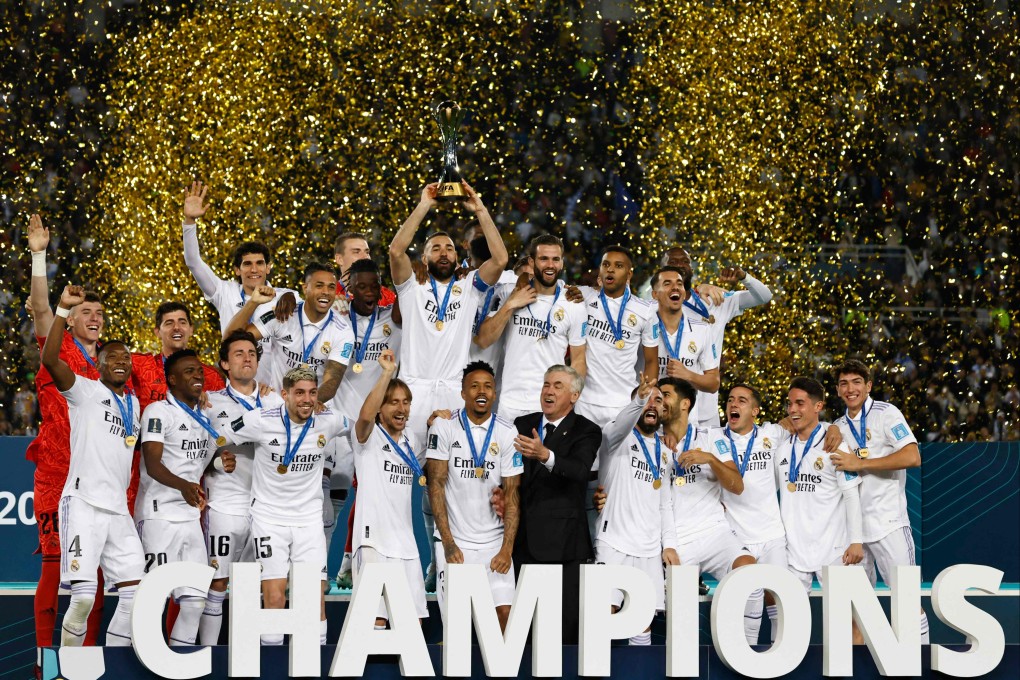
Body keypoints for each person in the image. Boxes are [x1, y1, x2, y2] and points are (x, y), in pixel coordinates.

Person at [388, 181, 508, 590]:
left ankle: (438, 556)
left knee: (446, 479)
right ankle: (389, 559)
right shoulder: (411, 284)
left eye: (450, 249)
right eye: (435, 248)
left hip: (452, 393)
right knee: (401, 477)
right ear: (424, 257)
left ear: (458, 258)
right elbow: (394, 251)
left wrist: (480, 210)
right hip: (415, 389)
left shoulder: (470, 287)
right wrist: (424, 205)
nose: (443, 253)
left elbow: (501, 257)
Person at [41, 285, 144, 648]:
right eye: (112, 357)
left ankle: (112, 666)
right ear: (98, 363)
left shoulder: (135, 406)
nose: (120, 362)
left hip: (118, 512)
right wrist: (62, 311)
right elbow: (51, 360)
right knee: (83, 598)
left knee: (136, 595)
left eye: (126, 359)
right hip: (83, 503)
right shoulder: (84, 391)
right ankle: (70, 668)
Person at [26, 215, 107, 648]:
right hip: (57, 477)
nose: (93, 318)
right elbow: (41, 311)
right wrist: (40, 255)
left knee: (92, 576)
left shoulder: (116, 367)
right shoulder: (56, 354)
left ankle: (86, 662)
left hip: (99, 482)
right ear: (70, 322)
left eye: (99, 312)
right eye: (85, 312)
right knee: (55, 570)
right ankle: (44, 659)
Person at [223, 366, 348, 646]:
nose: (307, 400)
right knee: (275, 598)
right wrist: (219, 461)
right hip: (269, 518)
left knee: (314, 599)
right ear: (284, 395)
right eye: (300, 393)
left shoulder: (327, 419)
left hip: (309, 521)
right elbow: (218, 436)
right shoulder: (260, 419)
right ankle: (273, 666)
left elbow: (361, 429)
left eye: (312, 393)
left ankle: (313, 668)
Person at [658, 377, 764, 645]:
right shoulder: (652, 441)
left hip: (715, 533)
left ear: (685, 404)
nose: (659, 402)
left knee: (751, 574)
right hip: (676, 541)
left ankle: (748, 651)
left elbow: (736, 485)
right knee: (678, 613)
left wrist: (710, 459)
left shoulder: (712, 438)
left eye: (665, 396)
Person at [831, 359, 929, 643]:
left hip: (889, 525)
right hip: (854, 533)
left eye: (857, 382)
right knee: (856, 610)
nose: (851, 389)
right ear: (837, 390)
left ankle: (920, 664)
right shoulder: (836, 426)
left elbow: (912, 457)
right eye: (844, 383)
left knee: (907, 602)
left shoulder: (887, 414)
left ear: (868, 386)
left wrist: (861, 463)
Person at [138, 349, 229, 646]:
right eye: (190, 372)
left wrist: (218, 463)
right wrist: (183, 486)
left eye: (200, 371)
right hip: (158, 516)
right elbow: (152, 463)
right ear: (173, 379)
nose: (198, 376)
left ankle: (180, 663)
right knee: (153, 598)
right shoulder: (157, 412)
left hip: (189, 518)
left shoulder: (204, 417)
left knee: (194, 602)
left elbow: (195, 461)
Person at [200, 330, 284, 645]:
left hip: (265, 509)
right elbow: (194, 455)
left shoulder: (275, 400)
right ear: (224, 363)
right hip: (225, 505)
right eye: (238, 353)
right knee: (217, 581)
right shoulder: (210, 402)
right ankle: (208, 654)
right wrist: (217, 464)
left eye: (251, 353)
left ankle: (247, 657)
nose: (247, 358)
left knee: (254, 583)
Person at [426, 361, 522, 631]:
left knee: (505, 620)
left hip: (494, 544)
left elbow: (513, 494)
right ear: (463, 392)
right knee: (457, 629)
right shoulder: (444, 427)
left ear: (495, 393)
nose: (482, 391)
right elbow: (436, 485)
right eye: (474, 386)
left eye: (488, 386)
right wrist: (448, 543)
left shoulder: (507, 432)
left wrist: (507, 548)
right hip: (456, 543)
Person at [511, 365, 601, 644]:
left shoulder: (587, 430)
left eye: (557, 386)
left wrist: (545, 455)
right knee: (523, 635)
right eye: (546, 384)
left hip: (564, 546)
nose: (548, 391)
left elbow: (579, 471)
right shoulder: (522, 424)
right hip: (523, 542)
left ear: (574, 396)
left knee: (563, 636)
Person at [331, 258, 403, 590]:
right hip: (337, 418)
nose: (370, 292)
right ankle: (314, 570)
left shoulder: (394, 320)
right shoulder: (337, 319)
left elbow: (410, 291)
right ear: (348, 288)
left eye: (375, 286)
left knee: (369, 493)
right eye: (362, 286)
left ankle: (349, 563)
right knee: (331, 498)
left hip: (373, 422)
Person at [180, 181, 294, 384]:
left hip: (275, 393)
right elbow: (193, 262)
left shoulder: (287, 296)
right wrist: (189, 221)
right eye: (247, 264)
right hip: (234, 389)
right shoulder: (224, 291)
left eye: (260, 263)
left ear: (268, 267)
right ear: (236, 270)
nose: (254, 269)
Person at [594, 376, 679, 646]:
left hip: (649, 549)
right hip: (614, 543)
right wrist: (639, 399)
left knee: (642, 628)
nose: (652, 405)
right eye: (645, 399)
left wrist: (670, 544)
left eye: (658, 401)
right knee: (603, 621)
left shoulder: (666, 453)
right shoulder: (615, 439)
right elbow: (618, 427)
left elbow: (664, 502)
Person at [349, 350, 429, 626]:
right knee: (376, 621)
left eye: (406, 402)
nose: (402, 409)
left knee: (413, 623)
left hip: (406, 543)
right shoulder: (367, 437)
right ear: (381, 408)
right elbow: (365, 415)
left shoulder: (413, 443)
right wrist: (386, 373)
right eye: (393, 402)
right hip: (373, 541)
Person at [776, 377, 864, 625]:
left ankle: (853, 665)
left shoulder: (835, 445)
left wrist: (856, 541)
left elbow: (851, 496)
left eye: (800, 403)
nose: (793, 409)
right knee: (790, 623)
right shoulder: (782, 449)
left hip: (834, 550)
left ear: (818, 407)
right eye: (790, 403)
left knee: (848, 621)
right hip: (793, 551)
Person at [476, 234, 589, 422]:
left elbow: (578, 360)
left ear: (562, 263)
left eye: (555, 259)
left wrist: (569, 401)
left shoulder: (573, 304)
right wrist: (510, 304)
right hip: (509, 403)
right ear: (532, 261)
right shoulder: (508, 292)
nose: (550, 265)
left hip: (548, 406)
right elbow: (483, 339)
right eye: (543, 259)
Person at [709, 384, 788, 644]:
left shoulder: (772, 434)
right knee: (745, 598)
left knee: (778, 598)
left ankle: (781, 658)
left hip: (771, 534)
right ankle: (747, 654)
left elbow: (804, 421)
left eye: (742, 401)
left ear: (755, 410)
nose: (733, 405)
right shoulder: (713, 437)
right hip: (735, 537)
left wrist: (832, 427)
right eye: (730, 400)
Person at [671, 248, 773, 428]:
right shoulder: (655, 307)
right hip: (670, 407)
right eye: (673, 262)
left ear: (692, 269)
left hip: (706, 409)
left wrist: (744, 277)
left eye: (685, 261)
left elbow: (764, 296)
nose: (680, 266)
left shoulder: (715, 300)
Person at [229, 263, 354, 401]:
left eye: (331, 287)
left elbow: (331, 383)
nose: (326, 291)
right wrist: (253, 302)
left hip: (313, 408)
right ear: (305, 288)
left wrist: (304, 404)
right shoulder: (283, 315)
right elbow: (232, 339)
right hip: (276, 407)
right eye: (319, 286)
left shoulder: (343, 332)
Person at [650, 266, 720, 396]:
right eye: (667, 284)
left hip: (686, 415)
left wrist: (688, 375)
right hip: (651, 412)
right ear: (655, 294)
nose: (675, 287)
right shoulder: (643, 327)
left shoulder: (702, 330)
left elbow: (714, 383)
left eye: (679, 284)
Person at [333, 231, 397, 310]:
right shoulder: (328, 297)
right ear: (339, 259)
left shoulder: (387, 296)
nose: (365, 257)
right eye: (356, 252)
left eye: (367, 252)